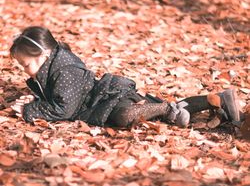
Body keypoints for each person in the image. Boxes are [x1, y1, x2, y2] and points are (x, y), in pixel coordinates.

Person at [10, 26, 242, 129]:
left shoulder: (63, 69)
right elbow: (56, 100)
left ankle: (168, 110)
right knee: (161, 109)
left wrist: (30, 111)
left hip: (106, 98)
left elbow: (64, 110)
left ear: (45, 54)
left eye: (26, 64)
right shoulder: (49, 67)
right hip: (98, 103)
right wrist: (33, 102)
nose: (24, 69)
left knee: (122, 117)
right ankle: (219, 99)